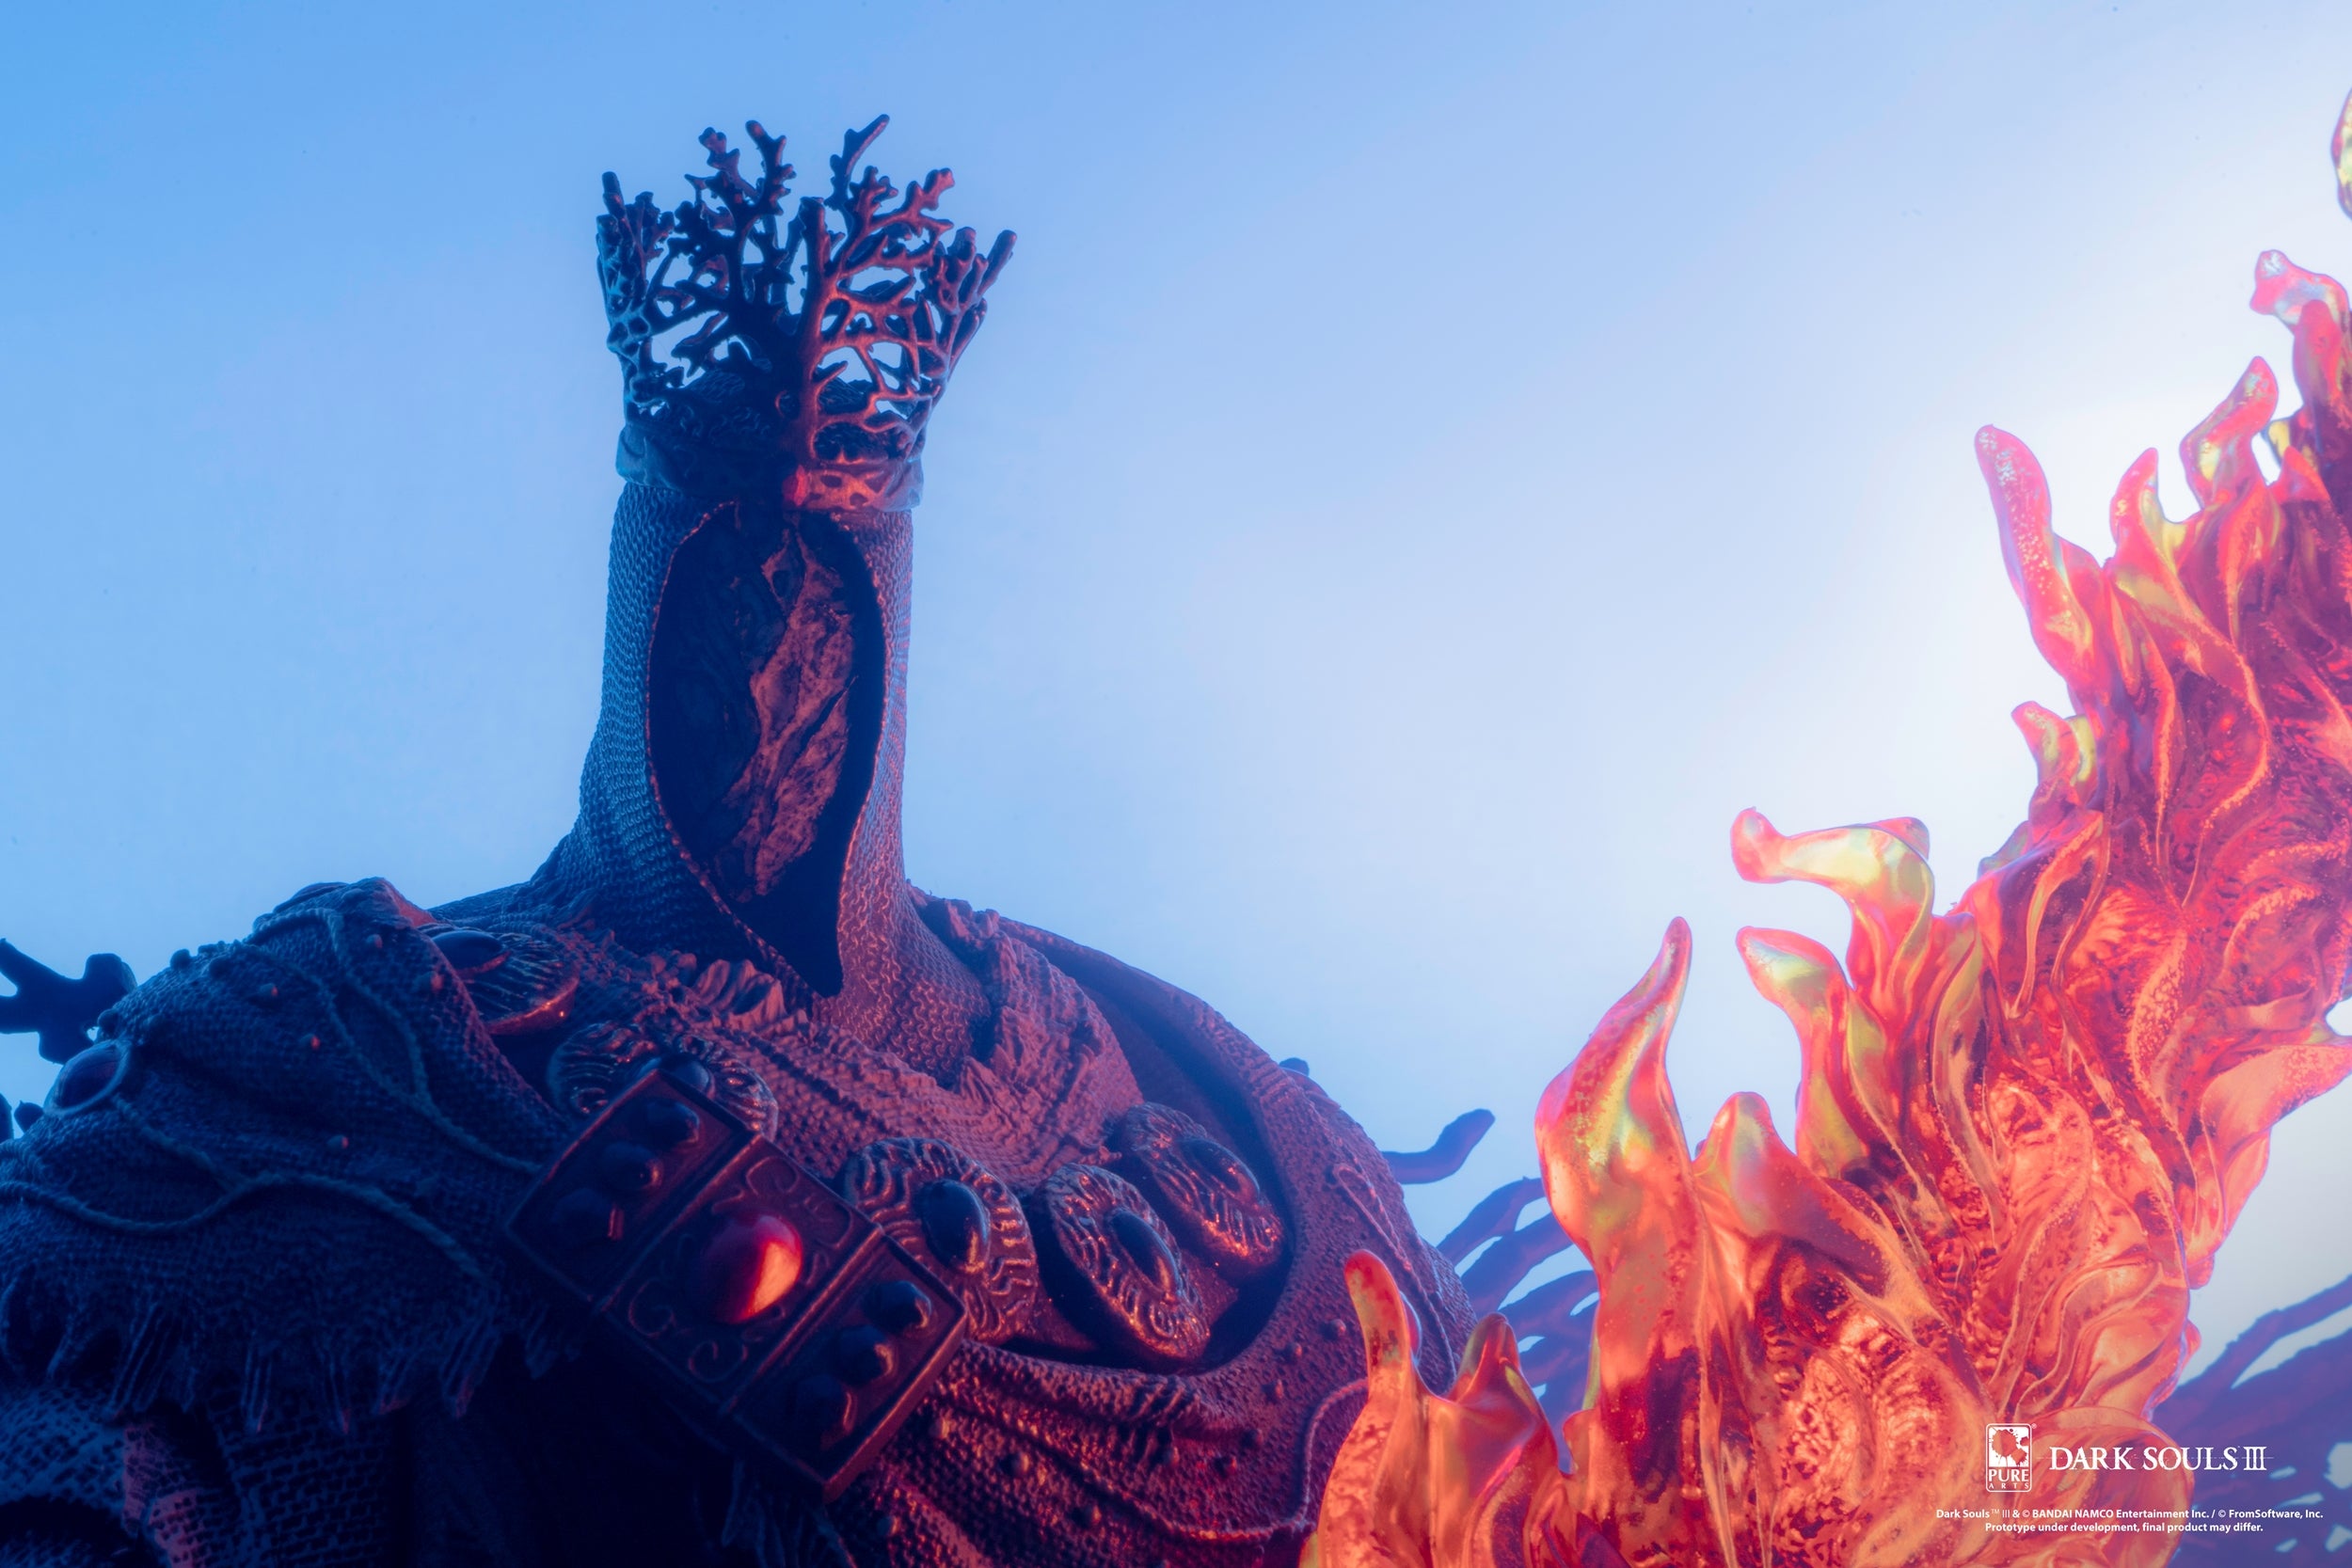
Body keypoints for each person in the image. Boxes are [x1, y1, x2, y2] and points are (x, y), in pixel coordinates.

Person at [0, 118, 1470, 1568]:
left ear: (880, 651)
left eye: (816, 633)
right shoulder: (350, 1038)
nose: (767, 688)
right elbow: (113, 1451)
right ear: (644, 627)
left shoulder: (1201, 1086)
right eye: (722, 624)